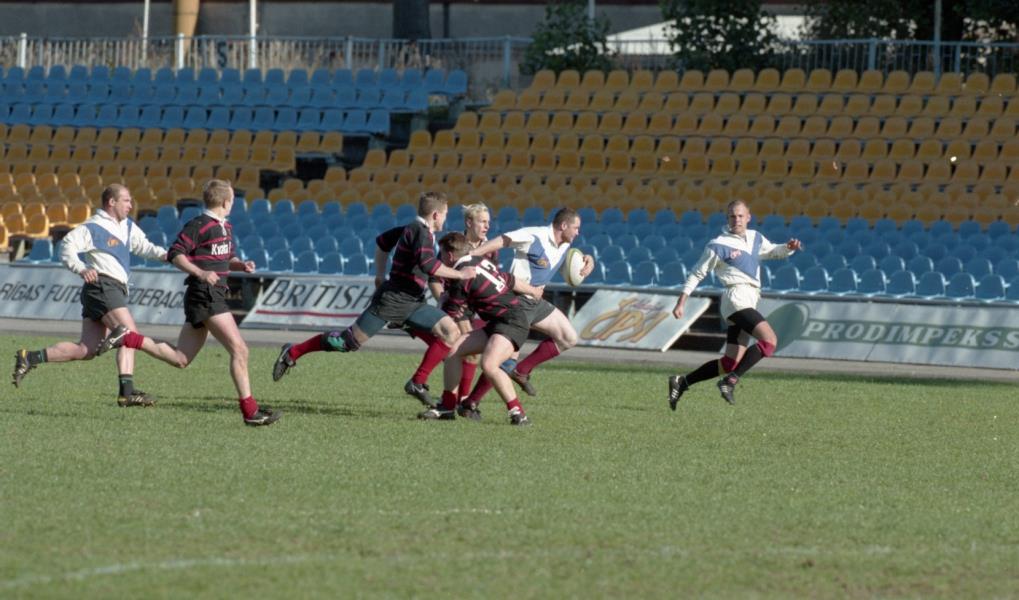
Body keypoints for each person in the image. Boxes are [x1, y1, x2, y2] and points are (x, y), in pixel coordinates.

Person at [94, 179, 280, 426]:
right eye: (232, 199)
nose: (233, 203)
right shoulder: (200, 225)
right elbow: (175, 253)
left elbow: (224, 257)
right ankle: (250, 412)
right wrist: (200, 273)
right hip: (205, 294)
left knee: (180, 358)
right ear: (226, 202)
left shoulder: (225, 227)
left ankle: (128, 338)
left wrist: (240, 264)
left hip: (209, 295)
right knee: (240, 350)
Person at [270, 192, 476, 403]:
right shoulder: (420, 232)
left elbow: (383, 243)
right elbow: (428, 265)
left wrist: (379, 274)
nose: (445, 218)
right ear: (435, 214)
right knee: (345, 342)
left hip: (413, 301)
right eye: (445, 214)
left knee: (449, 332)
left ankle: (420, 383)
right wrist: (461, 274)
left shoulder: (412, 229)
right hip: (393, 301)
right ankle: (292, 352)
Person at [11, 184, 167, 406]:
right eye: (126, 200)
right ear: (111, 202)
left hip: (103, 290)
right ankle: (127, 392)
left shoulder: (127, 226)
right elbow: (66, 246)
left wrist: (167, 255)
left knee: (86, 349)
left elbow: (144, 247)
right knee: (129, 334)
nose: (131, 205)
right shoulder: (93, 227)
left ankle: (29, 357)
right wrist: (81, 268)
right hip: (103, 287)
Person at [667, 200, 802, 407]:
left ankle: (682, 382)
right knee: (769, 341)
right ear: (727, 218)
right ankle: (730, 381)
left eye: (740, 216)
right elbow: (696, 274)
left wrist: (788, 248)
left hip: (750, 298)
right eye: (732, 216)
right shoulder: (718, 244)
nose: (736, 219)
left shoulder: (755, 237)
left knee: (730, 362)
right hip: (735, 297)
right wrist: (681, 302)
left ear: (748, 217)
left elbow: (773, 251)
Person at [464, 207, 594, 401]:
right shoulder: (534, 236)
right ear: (563, 225)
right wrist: (472, 255)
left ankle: (521, 371)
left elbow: (570, 267)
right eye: (575, 228)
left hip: (536, 302)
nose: (578, 232)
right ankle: (471, 403)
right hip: (517, 301)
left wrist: (589, 261)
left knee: (568, 338)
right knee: (503, 360)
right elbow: (504, 240)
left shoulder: (565, 246)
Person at [418, 232, 546, 425]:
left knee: (489, 365)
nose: (440, 259)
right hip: (500, 322)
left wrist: (439, 306)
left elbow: (452, 311)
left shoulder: (461, 275)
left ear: (450, 256)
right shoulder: (479, 260)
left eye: (442, 254)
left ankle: (519, 414)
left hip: (511, 322)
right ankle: (447, 406)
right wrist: (533, 290)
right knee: (454, 351)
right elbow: (508, 279)